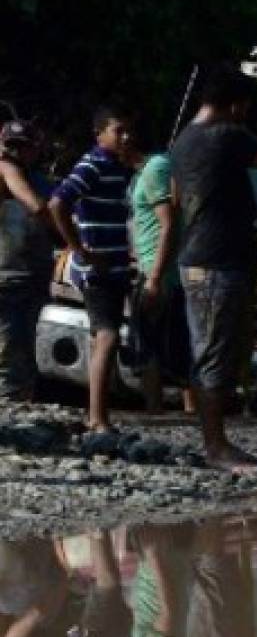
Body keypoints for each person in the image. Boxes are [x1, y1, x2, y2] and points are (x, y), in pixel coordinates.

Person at [171, 65, 257, 470]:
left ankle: (217, 442)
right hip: (217, 263)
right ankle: (216, 448)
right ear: (236, 106)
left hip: (204, 260)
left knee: (217, 351)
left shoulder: (183, 140)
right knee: (215, 354)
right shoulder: (228, 135)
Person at [49, 107, 140, 433]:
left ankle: (98, 414)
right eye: (119, 131)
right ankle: (98, 418)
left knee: (102, 336)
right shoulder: (93, 164)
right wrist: (79, 249)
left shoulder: (118, 166)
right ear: (99, 134)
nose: (126, 137)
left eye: (129, 131)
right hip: (97, 269)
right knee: (108, 336)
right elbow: (58, 203)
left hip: (115, 266)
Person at [129, 147, 194, 414]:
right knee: (178, 348)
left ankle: (155, 412)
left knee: (149, 347)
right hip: (163, 270)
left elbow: (168, 223)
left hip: (158, 272)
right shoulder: (157, 168)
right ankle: (190, 417)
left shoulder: (155, 167)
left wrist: (154, 278)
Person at [0, 120, 55, 400]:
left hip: (29, 276)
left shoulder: (38, 179)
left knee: (24, 355)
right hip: (8, 278)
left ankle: (18, 407)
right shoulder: (6, 169)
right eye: (11, 146)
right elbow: (37, 206)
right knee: (10, 357)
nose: (16, 152)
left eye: (23, 147)